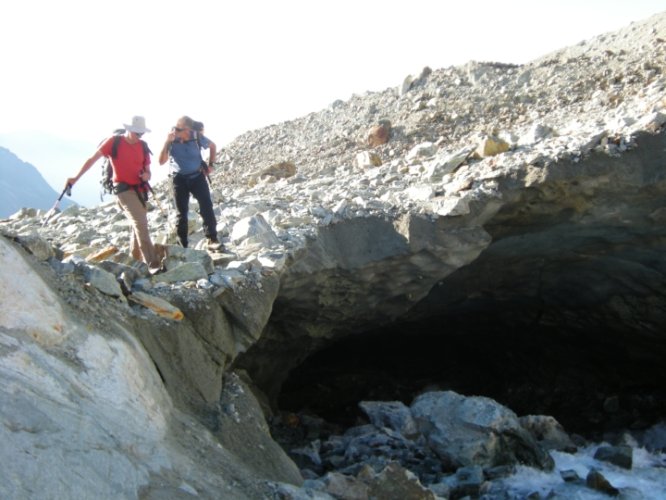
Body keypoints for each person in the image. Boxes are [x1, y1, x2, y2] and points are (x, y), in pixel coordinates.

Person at [65, 115, 162, 271]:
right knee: (141, 223)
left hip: (140, 191)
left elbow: (148, 172)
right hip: (123, 191)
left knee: (137, 225)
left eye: (141, 133)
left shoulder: (143, 146)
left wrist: (146, 176)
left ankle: (134, 262)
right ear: (129, 130)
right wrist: (75, 178)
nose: (139, 136)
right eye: (137, 133)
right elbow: (92, 159)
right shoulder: (114, 142)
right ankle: (153, 264)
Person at [159, 115, 221, 250]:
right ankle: (183, 244)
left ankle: (212, 238)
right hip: (178, 179)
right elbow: (161, 161)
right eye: (176, 128)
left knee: (206, 206)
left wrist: (211, 165)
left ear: (188, 129)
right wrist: (167, 142)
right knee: (182, 212)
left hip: (197, 176)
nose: (177, 131)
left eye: (179, 129)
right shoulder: (172, 139)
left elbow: (212, 146)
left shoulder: (195, 135)